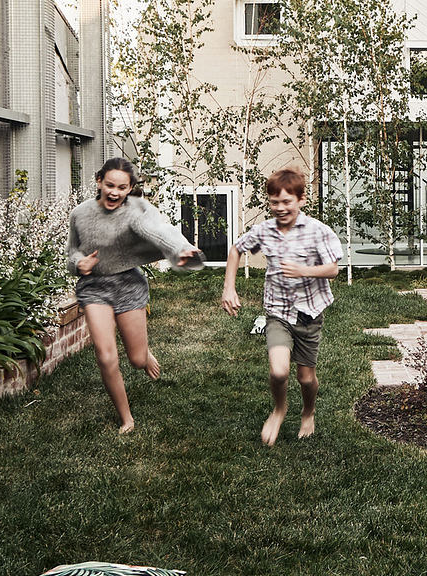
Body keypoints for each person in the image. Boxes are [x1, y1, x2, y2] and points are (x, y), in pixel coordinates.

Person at [68, 156, 203, 434]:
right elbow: (72, 253)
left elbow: (161, 231)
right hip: (94, 287)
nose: (114, 192)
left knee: (137, 360)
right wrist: (79, 264)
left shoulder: (138, 209)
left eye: (121, 187)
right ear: (98, 182)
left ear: (130, 188)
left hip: (128, 284)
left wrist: (182, 250)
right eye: (109, 185)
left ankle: (143, 353)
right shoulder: (80, 214)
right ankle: (126, 417)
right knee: (106, 357)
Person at [220, 168, 342, 446]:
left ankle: (308, 411)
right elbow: (236, 249)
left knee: (306, 377)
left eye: (287, 202)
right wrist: (229, 287)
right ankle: (279, 409)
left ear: (300, 200)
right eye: (275, 202)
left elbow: (333, 269)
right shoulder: (264, 231)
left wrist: (303, 270)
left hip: (310, 314)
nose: (280, 208)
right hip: (277, 312)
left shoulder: (317, 231)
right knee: (278, 372)